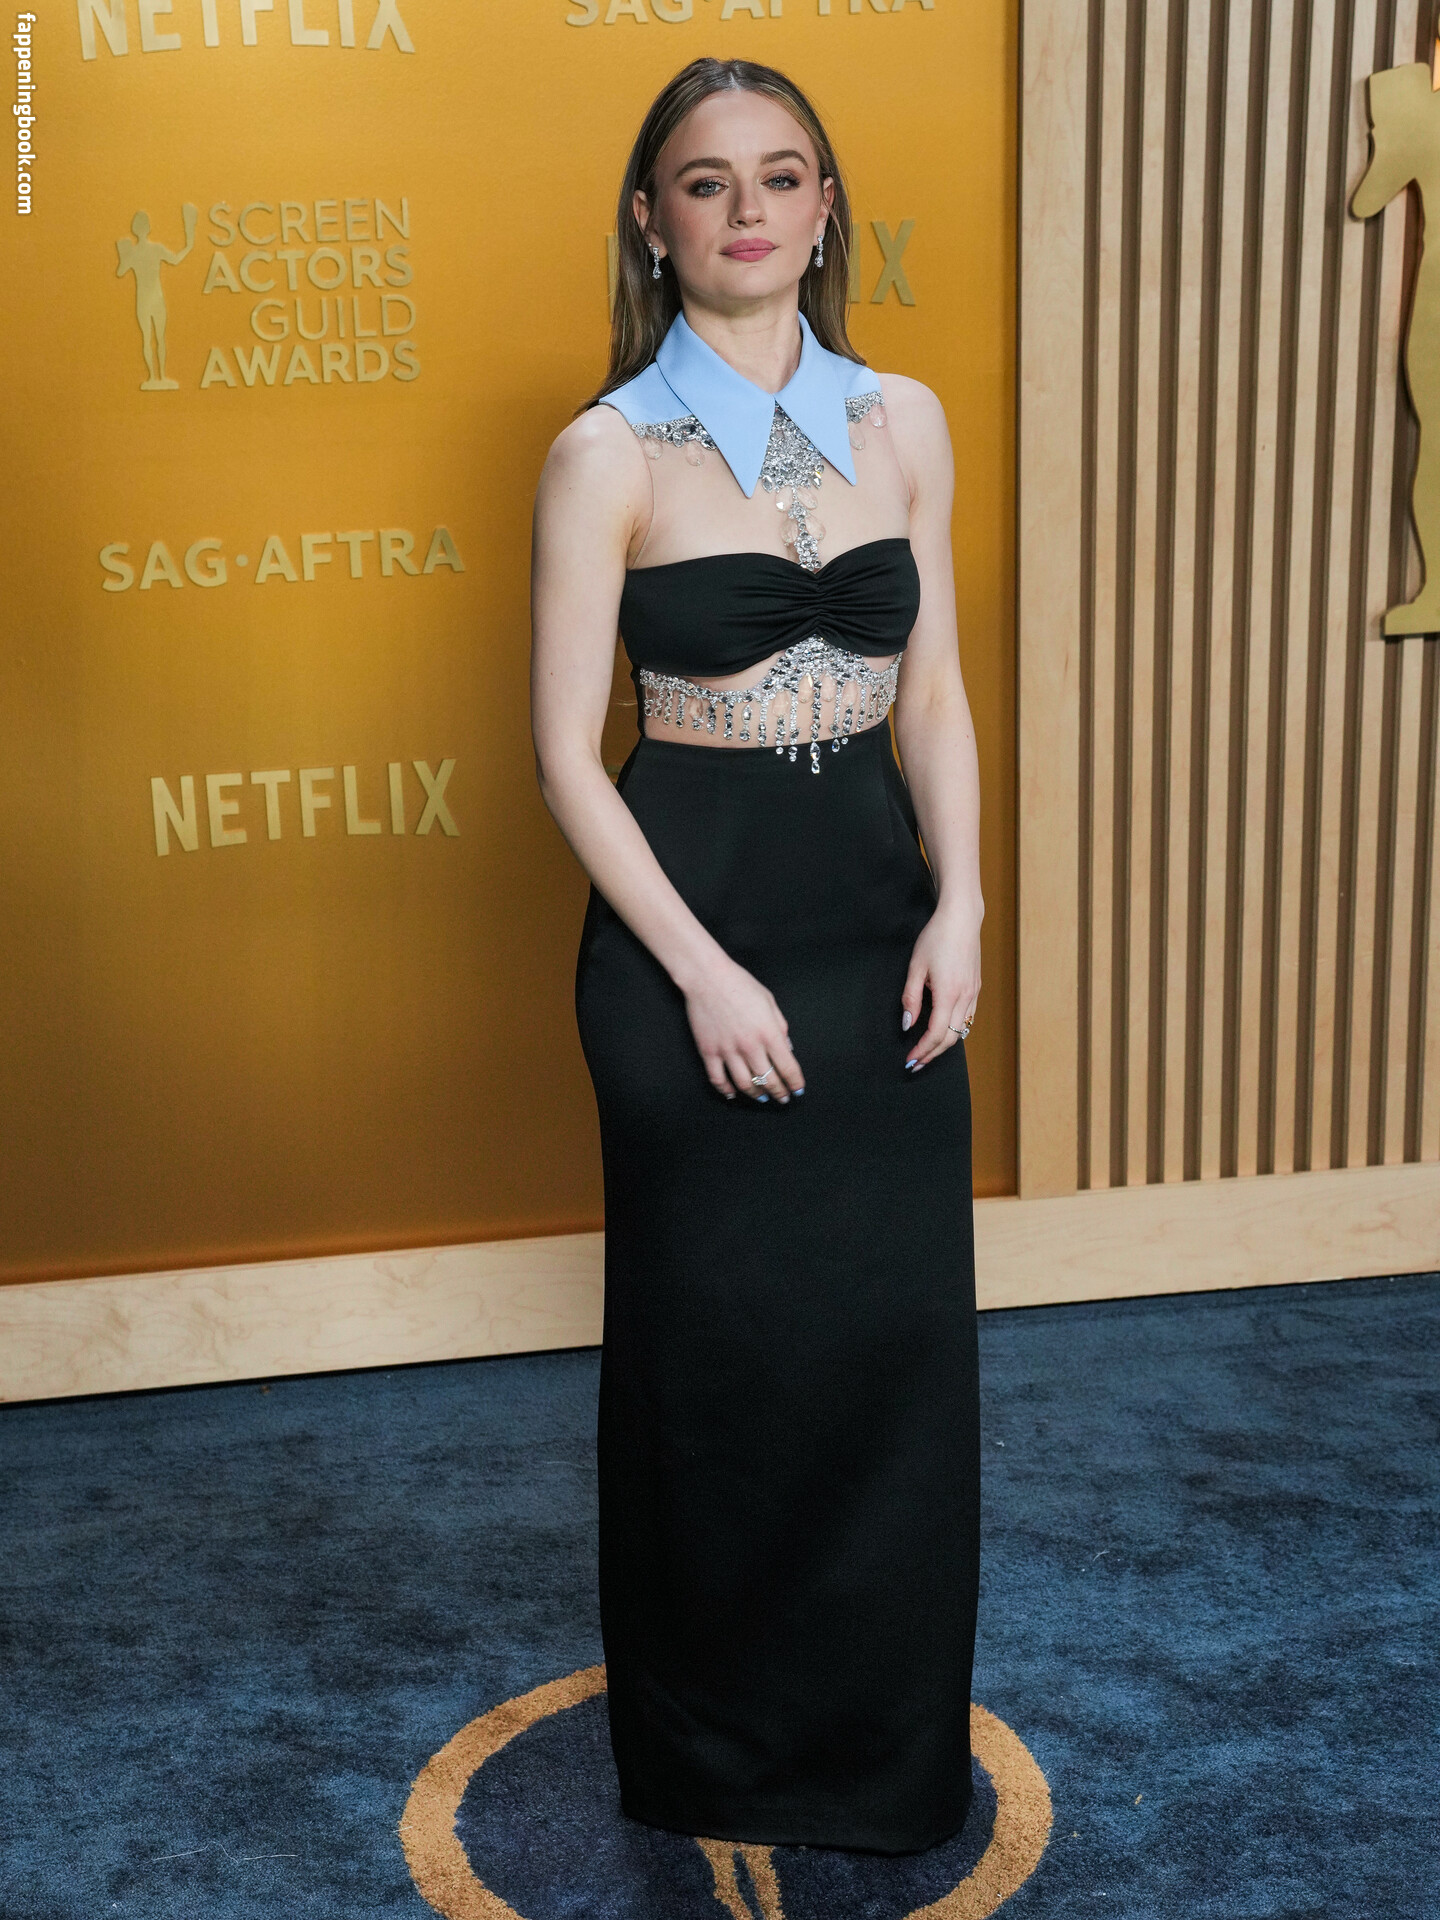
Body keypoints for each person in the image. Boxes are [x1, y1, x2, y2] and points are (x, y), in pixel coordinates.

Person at [530, 56, 984, 1855]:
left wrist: (966, 902)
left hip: (878, 925)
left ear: (825, 210)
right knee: (718, 1365)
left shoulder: (904, 420)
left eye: (781, 177)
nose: (747, 210)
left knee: (889, 1356)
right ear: (652, 221)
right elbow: (568, 756)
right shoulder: (607, 452)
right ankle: (713, 1758)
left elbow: (932, 696)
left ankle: (880, 1757)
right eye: (706, 182)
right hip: (685, 936)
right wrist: (704, 977)